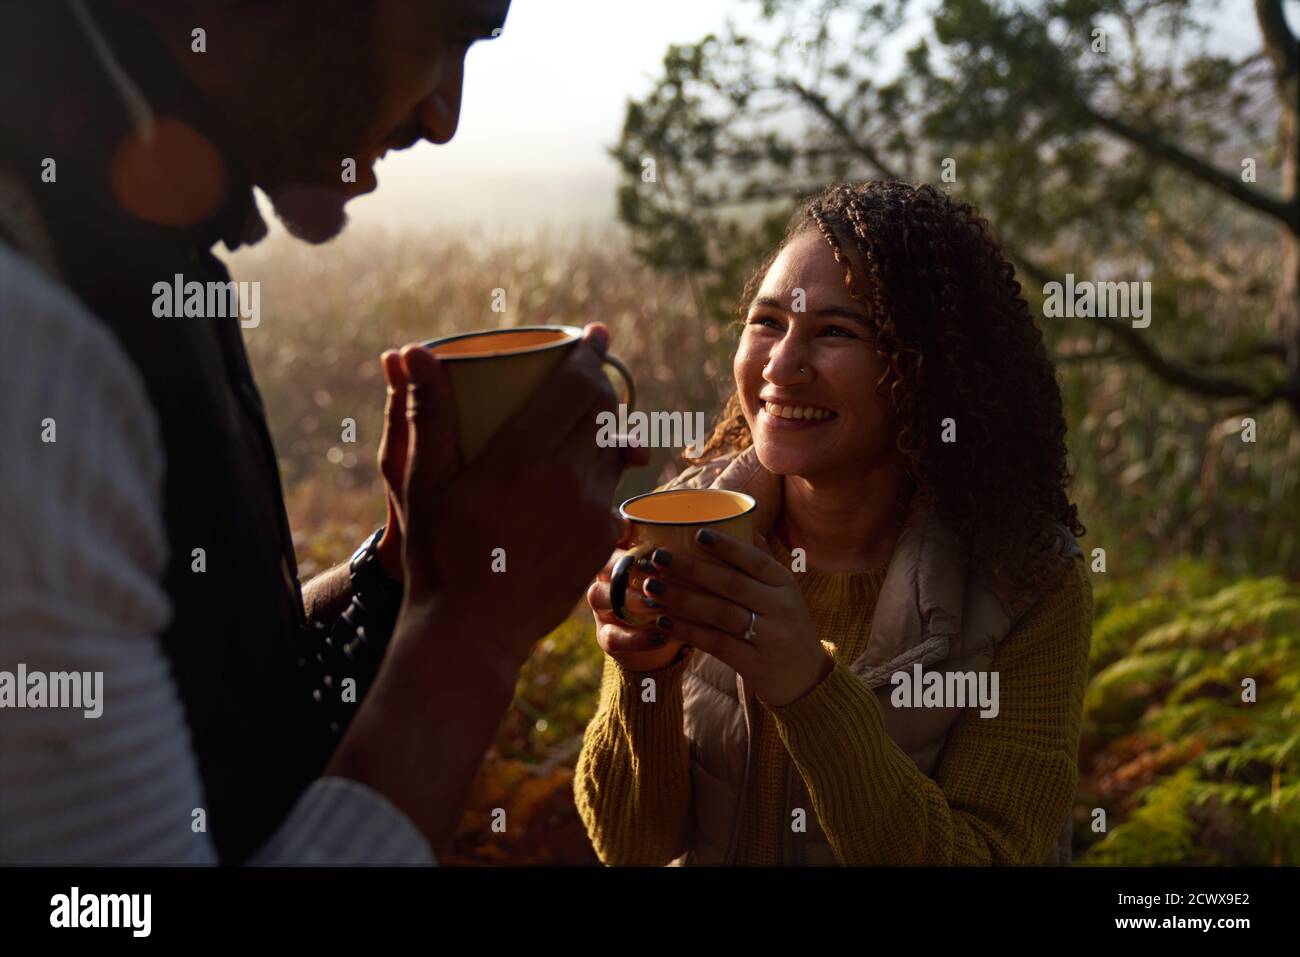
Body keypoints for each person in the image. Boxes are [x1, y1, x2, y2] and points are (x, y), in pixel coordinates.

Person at [0, 0, 645, 864]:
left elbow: (221, 717)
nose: (442, 119)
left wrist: (400, 573)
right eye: (450, 31)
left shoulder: (115, 245)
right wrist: (471, 634)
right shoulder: (30, 339)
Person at [576, 181, 1095, 866]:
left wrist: (809, 689)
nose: (781, 367)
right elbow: (632, 844)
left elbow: (987, 854)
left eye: (835, 332)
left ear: (924, 369)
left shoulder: (1025, 581)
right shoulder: (685, 526)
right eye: (766, 323)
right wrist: (640, 676)